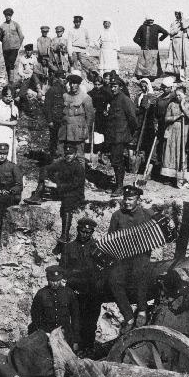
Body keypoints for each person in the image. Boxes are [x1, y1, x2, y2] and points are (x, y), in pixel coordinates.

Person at [105, 185, 155, 333]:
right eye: (125, 199)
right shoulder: (117, 216)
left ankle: (141, 310)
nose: (127, 202)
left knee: (140, 274)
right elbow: (111, 237)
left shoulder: (147, 214)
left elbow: (162, 227)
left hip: (141, 255)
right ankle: (128, 316)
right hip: (123, 258)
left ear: (137, 200)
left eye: (130, 199)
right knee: (113, 280)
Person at [24, 143, 85, 246]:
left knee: (66, 205)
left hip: (75, 193)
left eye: (70, 154)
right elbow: (48, 168)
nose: (68, 156)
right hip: (62, 190)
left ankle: (65, 235)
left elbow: (75, 185)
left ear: (75, 155)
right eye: (66, 154)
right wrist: (46, 175)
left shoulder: (78, 167)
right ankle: (37, 194)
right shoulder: (63, 162)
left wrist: (56, 185)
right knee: (45, 169)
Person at [58, 218, 101, 353]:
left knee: (90, 323)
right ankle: (74, 349)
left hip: (92, 292)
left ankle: (88, 349)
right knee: (76, 322)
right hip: (75, 292)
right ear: (78, 230)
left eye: (89, 232)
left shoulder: (97, 246)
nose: (85, 235)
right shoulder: (69, 247)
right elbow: (63, 269)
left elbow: (101, 268)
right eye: (82, 231)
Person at [30, 265, 81, 349]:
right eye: (52, 280)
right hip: (47, 336)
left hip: (65, 336)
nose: (55, 283)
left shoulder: (69, 293)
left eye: (58, 280)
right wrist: (42, 334)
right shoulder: (41, 294)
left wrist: (75, 340)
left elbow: (75, 317)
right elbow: (35, 316)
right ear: (47, 279)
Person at [104, 76, 138, 196]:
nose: (112, 88)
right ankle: (117, 184)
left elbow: (133, 119)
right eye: (111, 86)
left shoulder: (125, 100)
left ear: (121, 87)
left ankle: (119, 187)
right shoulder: (113, 99)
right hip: (112, 135)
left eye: (115, 86)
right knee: (114, 160)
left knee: (117, 161)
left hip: (120, 136)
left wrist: (129, 133)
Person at [160, 86, 189, 189]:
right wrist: (177, 117)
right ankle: (169, 177)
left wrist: (183, 106)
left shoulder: (188, 105)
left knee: (181, 152)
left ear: (184, 95)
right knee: (171, 152)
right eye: (177, 95)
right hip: (172, 129)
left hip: (184, 131)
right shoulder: (172, 104)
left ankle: (181, 177)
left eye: (180, 95)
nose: (178, 97)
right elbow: (166, 118)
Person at [59, 74, 95, 162]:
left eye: (75, 83)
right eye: (71, 83)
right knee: (63, 155)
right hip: (65, 131)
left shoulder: (85, 98)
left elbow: (90, 117)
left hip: (78, 132)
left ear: (79, 84)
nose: (72, 85)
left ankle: (80, 175)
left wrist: (86, 131)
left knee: (79, 157)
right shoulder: (65, 96)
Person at [152, 76, 177, 171]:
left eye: (167, 87)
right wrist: (155, 123)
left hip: (170, 125)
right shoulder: (159, 99)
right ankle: (156, 168)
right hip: (161, 125)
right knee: (158, 147)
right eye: (164, 87)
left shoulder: (174, 98)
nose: (165, 89)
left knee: (168, 148)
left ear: (171, 88)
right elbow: (155, 113)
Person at [43, 70, 67, 163]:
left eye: (64, 78)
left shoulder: (65, 89)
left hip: (63, 119)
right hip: (54, 119)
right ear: (57, 78)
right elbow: (46, 107)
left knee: (61, 140)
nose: (63, 80)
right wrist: (49, 120)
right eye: (62, 78)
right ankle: (53, 159)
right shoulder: (52, 90)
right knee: (54, 140)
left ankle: (61, 158)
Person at [0, 8, 24, 84]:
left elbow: (21, 36)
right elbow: (1, 38)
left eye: (9, 15)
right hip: (5, 48)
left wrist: (18, 46)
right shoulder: (2, 26)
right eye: (6, 15)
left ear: (11, 15)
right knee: (7, 65)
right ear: (4, 16)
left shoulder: (16, 24)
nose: (8, 17)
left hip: (14, 48)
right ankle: (9, 80)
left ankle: (11, 81)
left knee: (11, 64)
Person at [164, 11, 189, 82]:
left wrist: (181, 20)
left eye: (179, 14)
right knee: (174, 58)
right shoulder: (173, 23)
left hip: (182, 42)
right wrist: (177, 29)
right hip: (175, 41)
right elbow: (171, 32)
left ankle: (181, 76)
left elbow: (184, 26)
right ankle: (175, 75)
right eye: (176, 14)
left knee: (181, 58)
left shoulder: (185, 21)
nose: (177, 15)